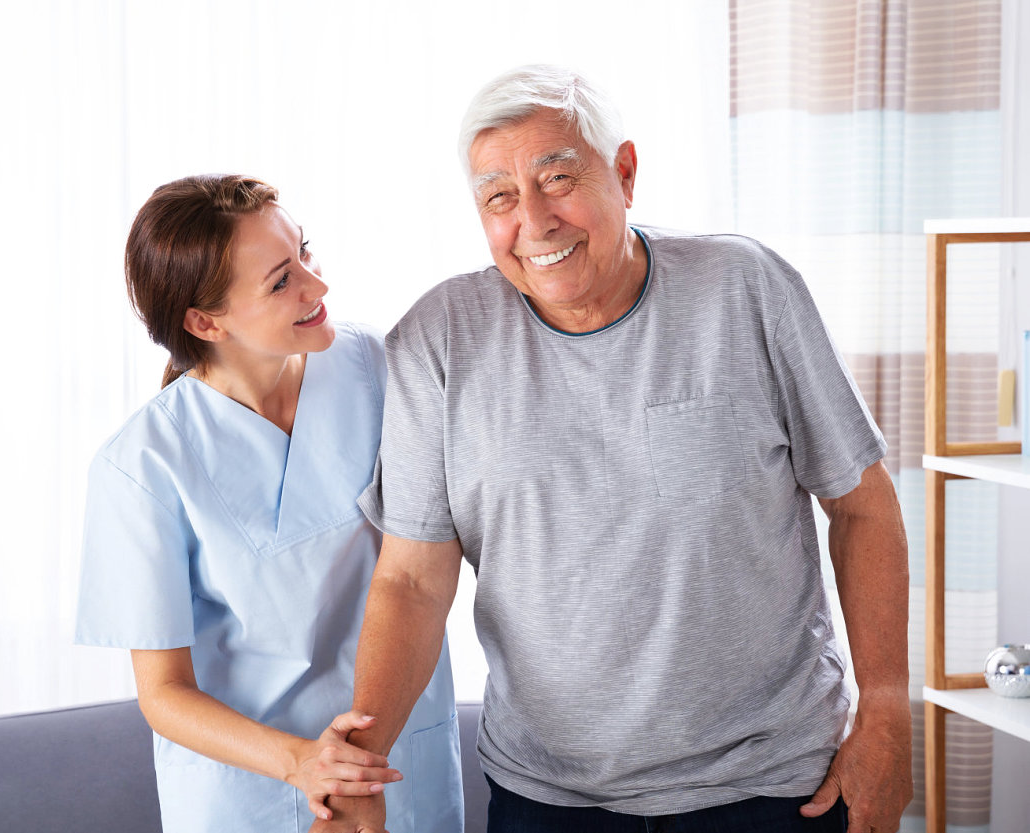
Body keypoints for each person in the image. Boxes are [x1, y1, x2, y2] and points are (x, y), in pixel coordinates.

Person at [315, 66, 912, 833]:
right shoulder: (438, 339)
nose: (533, 219)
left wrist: (887, 709)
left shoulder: (745, 288)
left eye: (557, 178)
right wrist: (361, 770)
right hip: (548, 797)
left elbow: (860, 503)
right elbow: (411, 582)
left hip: (772, 784)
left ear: (623, 173)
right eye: (498, 197)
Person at [74, 174, 464, 833]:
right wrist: (305, 764)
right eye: (282, 280)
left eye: (305, 251)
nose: (318, 286)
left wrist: (350, 764)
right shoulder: (142, 463)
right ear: (205, 320)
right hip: (252, 792)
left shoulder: (372, 366)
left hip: (397, 763)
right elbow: (165, 694)